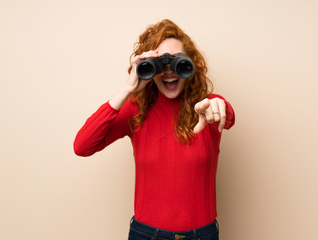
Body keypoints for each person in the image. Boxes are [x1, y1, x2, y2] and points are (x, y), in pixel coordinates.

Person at [73, 19, 235, 240]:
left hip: (202, 235)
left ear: (190, 64)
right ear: (148, 67)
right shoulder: (135, 110)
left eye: (177, 61)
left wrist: (218, 107)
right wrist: (128, 88)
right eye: (159, 63)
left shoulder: (207, 107)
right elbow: (82, 146)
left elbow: (226, 114)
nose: (168, 70)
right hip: (146, 235)